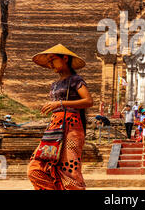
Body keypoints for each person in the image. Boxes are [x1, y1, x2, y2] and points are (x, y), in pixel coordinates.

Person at [28, 44, 93, 190]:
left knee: (70, 172)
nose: (50, 64)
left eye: (53, 59)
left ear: (65, 58)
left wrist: (60, 103)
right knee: (35, 169)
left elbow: (88, 101)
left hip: (72, 127)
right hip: (53, 129)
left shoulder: (76, 80)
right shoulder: (54, 84)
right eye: (49, 61)